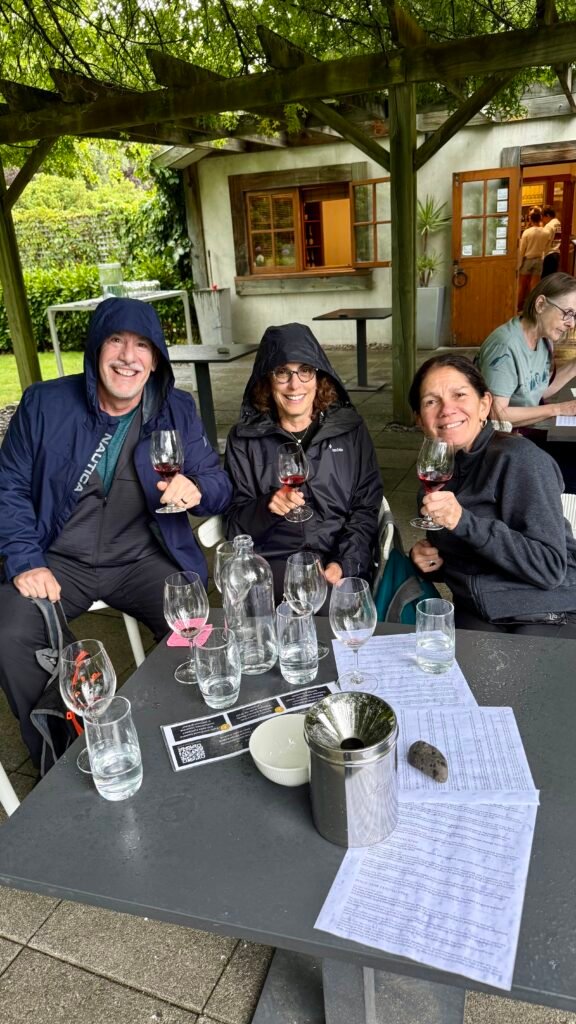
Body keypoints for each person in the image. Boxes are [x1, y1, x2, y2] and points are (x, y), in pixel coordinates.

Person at [0, 297, 232, 767]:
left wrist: (196, 489)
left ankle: (190, 740)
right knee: (10, 632)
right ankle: (61, 759)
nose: (128, 356)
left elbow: (218, 483)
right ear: (95, 349)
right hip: (58, 560)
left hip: (141, 558)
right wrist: (26, 560)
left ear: (156, 359)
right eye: (116, 341)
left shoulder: (176, 409)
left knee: (196, 630)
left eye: (142, 345)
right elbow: (9, 487)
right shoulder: (44, 404)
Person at [408, 354, 576, 637]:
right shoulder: (438, 479)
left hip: (547, 611)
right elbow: (468, 558)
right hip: (482, 610)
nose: (447, 409)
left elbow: (549, 568)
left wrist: (464, 521)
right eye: (431, 401)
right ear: (420, 419)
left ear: (484, 404)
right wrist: (430, 563)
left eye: (459, 395)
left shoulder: (519, 459)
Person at [224, 323, 383, 601]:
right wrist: (266, 507)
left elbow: (366, 508)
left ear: (319, 377)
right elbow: (233, 526)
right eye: (282, 372)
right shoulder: (244, 439)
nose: (294, 384)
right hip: (273, 564)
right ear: (267, 379)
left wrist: (344, 563)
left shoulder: (350, 431)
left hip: (338, 558)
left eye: (305, 370)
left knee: (339, 611)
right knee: (283, 614)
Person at [476, 272, 576, 489]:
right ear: (540, 304)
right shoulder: (505, 346)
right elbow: (497, 415)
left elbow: (539, 390)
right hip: (498, 445)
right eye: (567, 313)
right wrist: (559, 409)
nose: (571, 324)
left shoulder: (543, 340)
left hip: (522, 434)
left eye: (575, 316)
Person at [517, 208, 548, 310]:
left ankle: (518, 307)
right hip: (539, 260)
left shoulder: (527, 232)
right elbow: (546, 248)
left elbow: (522, 250)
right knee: (534, 286)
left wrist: (519, 264)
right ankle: (533, 308)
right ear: (540, 218)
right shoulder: (546, 232)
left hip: (528, 260)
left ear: (530, 219)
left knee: (521, 286)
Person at [541, 205, 562, 278]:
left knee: (546, 279)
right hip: (557, 253)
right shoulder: (558, 223)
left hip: (549, 255)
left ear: (548, 215)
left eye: (543, 217)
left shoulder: (549, 226)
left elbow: (544, 240)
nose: (543, 220)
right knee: (552, 278)